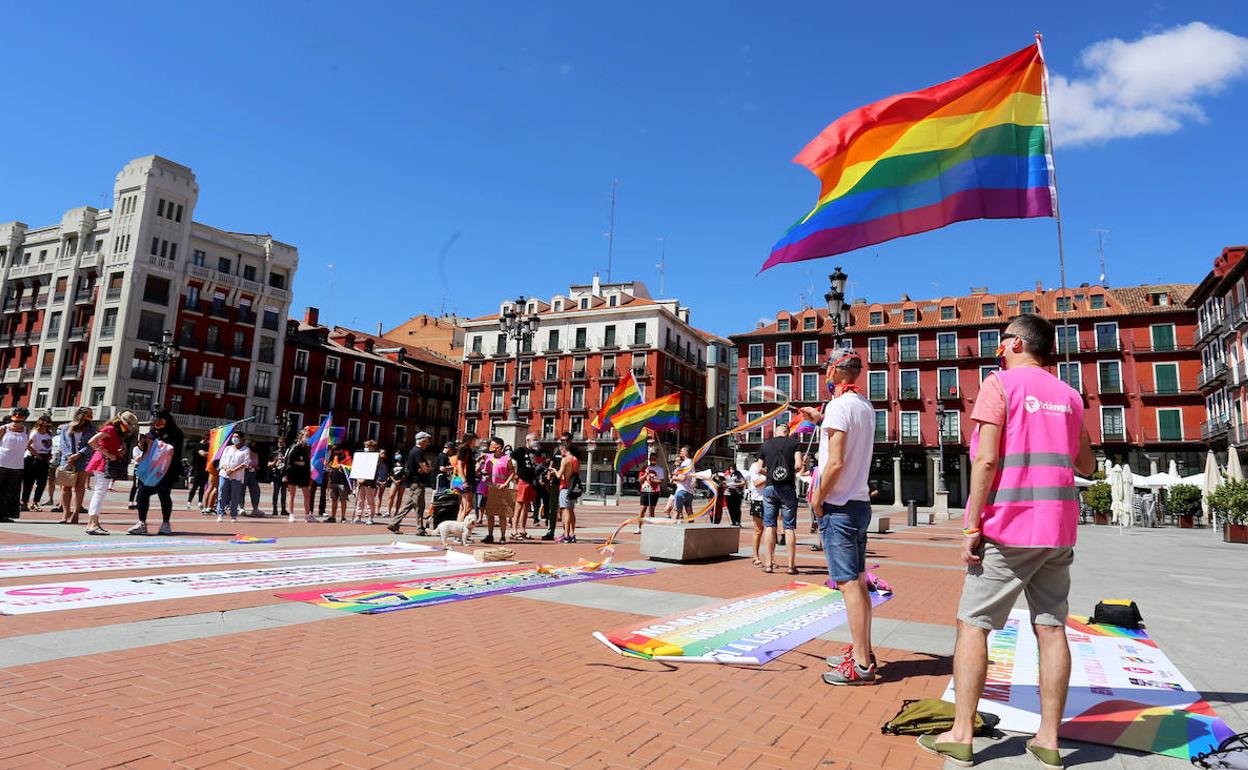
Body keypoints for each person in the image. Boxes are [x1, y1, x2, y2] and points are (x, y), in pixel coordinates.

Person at [921, 316, 1095, 768]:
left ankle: (961, 734)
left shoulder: (999, 385)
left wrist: (971, 526)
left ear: (1016, 343)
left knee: (973, 623)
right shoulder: (1071, 395)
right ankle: (1049, 740)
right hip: (1058, 529)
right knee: (1052, 627)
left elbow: (985, 461)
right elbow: (1088, 464)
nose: (998, 349)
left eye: (1001, 342)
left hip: (1011, 526)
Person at [800, 347, 877, 685]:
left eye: (826, 369)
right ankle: (864, 651)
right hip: (859, 502)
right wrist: (819, 420)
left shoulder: (839, 406)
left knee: (848, 586)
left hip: (840, 507)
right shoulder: (864, 405)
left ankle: (861, 665)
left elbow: (835, 462)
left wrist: (818, 499)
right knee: (858, 582)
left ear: (834, 371)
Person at [83, 411, 140, 535]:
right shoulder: (110, 429)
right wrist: (107, 453)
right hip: (103, 462)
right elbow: (92, 442)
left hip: (106, 462)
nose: (128, 429)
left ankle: (92, 523)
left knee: (100, 492)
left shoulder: (117, 432)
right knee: (99, 492)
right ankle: (93, 523)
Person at [128, 410, 184, 535]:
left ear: (164, 419)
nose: (155, 422)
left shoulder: (176, 433)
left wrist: (153, 443)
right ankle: (141, 522)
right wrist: (142, 444)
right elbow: (145, 450)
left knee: (164, 493)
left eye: (157, 420)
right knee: (142, 492)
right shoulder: (152, 432)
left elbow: (171, 450)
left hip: (167, 470)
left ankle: (165, 523)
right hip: (150, 469)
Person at [760, 423, 803, 574]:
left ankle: (768, 564)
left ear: (776, 431)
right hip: (787, 488)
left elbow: (759, 467)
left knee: (769, 525)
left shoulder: (766, 445)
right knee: (789, 527)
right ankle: (791, 566)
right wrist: (788, 471)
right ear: (788, 432)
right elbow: (798, 465)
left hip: (770, 487)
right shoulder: (794, 443)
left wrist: (772, 473)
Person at [56, 406, 96, 524]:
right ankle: (65, 513)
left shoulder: (91, 429)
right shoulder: (66, 427)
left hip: (83, 459)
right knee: (65, 486)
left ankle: (76, 513)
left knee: (80, 486)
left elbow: (91, 445)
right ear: (80, 415)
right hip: (67, 459)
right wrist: (69, 455)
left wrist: (78, 454)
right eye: (88, 414)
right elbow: (62, 442)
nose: (90, 417)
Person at [389, 431, 433, 534]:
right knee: (419, 506)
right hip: (417, 483)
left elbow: (423, 468)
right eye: (427, 440)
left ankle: (394, 524)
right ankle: (419, 528)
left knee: (409, 505)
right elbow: (426, 468)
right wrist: (426, 468)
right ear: (421, 440)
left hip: (414, 483)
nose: (428, 443)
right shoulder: (418, 452)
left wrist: (425, 468)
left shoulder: (414, 451)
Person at [480, 437, 514, 544]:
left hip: (502, 489)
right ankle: (490, 535)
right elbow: (485, 471)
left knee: (502, 514)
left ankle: (503, 536)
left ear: (499, 447)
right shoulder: (489, 457)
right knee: (489, 513)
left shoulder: (506, 458)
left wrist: (505, 483)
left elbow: (512, 472)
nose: (491, 447)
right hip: (490, 488)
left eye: (493, 445)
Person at [0, 407, 31, 522]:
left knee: (11, 491)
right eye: (16, 415)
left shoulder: (26, 430)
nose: (17, 418)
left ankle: (5, 515)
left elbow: (26, 445)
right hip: (2, 462)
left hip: (17, 464)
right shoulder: (4, 429)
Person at [21, 413, 54, 512]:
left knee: (42, 482)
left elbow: (49, 446)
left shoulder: (49, 433)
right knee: (29, 482)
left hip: (44, 458)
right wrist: (36, 455)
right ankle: (24, 502)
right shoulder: (35, 433)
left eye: (49, 422)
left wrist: (49, 455)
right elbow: (28, 446)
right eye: (45, 422)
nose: (47, 424)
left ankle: (35, 502)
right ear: (41, 422)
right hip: (32, 458)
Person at [215, 432, 251, 523]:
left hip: (237, 476)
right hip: (224, 474)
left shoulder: (246, 450)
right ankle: (220, 513)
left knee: (235, 495)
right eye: (233, 437)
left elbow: (245, 463)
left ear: (242, 438)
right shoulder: (227, 448)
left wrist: (233, 470)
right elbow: (222, 461)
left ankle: (233, 515)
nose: (234, 438)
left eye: (237, 437)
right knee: (222, 493)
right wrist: (226, 468)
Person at [510, 433, 538, 540]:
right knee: (519, 505)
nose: (535, 442)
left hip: (531, 481)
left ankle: (522, 529)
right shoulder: (520, 451)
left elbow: (534, 464)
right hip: (522, 480)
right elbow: (511, 461)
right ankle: (514, 530)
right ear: (527, 440)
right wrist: (515, 474)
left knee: (526, 506)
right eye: (534, 440)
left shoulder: (534, 452)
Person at [284, 427, 314, 522]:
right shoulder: (294, 447)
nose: (308, 438)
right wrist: (298, 464)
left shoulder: (307, 448)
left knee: (307, 494)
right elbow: (288, 461)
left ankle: (307, 515)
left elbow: (308, 463)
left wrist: (309, 475)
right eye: (306, 436)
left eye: (309, 436)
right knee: (292, 494)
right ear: (301, 437)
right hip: (293, 473)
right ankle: (291, 515)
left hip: (304, 474)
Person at [353, 440, 384, 525]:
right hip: (360, 482)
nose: (366, 448)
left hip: (370, 483)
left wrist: (365, 479)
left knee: (370, 501)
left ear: (373, 448)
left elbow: (372, 470)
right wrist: (358, 478)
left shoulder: (376, 458)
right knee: (360, 500)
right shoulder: (362, 456)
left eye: (368, 447)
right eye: (366, 446)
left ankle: (370, 517)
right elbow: (358, 467)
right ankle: (358, 516)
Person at [744, 456, 767, 566]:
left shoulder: (770, 466)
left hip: (770, 500)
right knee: (758, 530)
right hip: (758, 500)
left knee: (770, 531)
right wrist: (770, 476)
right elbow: (756, 483)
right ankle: (755, 556)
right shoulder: (754, 467)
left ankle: (770, 558)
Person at [556, 442, 580, 543]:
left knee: (565, 511)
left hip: (565, 487)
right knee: (571, 510)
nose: (561, 453)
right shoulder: (575, 459)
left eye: (561, 451)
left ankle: (566, 535)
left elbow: (559, 475)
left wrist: (553, 470)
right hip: (573, 487)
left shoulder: (565, 460)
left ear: (564, 450)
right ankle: (572, 533)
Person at [636, 452, 666, 533]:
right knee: (642, 510)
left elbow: (660, 481)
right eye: (651, 458)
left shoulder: (659, 469)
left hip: (655, 491)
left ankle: (652, 527)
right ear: (649, 459)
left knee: (651, 510)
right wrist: (646, 474)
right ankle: (639, 527)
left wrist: (652, 480)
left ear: (656, 459)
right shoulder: (645, 468)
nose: (653, 459)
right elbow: (640, 480)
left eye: (654, 458)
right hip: (645, 490)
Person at [453, 435, 479, 522]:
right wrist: (464, 480)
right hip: (465, 479)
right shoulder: (465, 449)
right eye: (475, 440)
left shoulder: (469, 450)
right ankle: (460, 526)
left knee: (462, 506)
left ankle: (457, 526)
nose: (476, 442)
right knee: (468, 506)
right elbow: (459, 465)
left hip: (462, 479)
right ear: (470, 440)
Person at [670, 445, 696, 518]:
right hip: (689, 491)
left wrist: (674, 477)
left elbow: (682, 478)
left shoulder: (686, 463)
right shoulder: (690, 462)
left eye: (682, 451)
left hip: (682, 490)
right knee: (689, 512)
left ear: (687, 452)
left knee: (676, 511)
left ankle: (674, 528)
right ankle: (692, 528)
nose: (680, 452)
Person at [187, 436, 209, 510]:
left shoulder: (208, 446)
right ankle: (189, 502)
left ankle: (200, 502)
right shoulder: (198, 445)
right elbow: (203, 454)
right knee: (194, 486)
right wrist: (211, 453)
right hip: (197, 469)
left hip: (205, 469)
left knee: (202, 487)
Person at [268, 437, 288, 517]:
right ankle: (274, 509)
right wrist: (275, 461)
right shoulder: (274, 453)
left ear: (285, 443)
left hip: (284, 475)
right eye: (279, 442)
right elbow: (268, 464)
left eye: (282, 442)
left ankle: (283, 509)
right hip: (276, 475)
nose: (280, 444)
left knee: (284, 493)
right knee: (275, 493)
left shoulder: (287, 452)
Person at [244, 440, 263, 516]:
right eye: (252, 445)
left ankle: (255, 508)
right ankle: (241, 507)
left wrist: (256, 467)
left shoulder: (255, 454)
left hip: (253, 474)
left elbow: (257, 465)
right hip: (244, 473)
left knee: (256, 490)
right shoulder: (244, 453)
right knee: (241, 490)